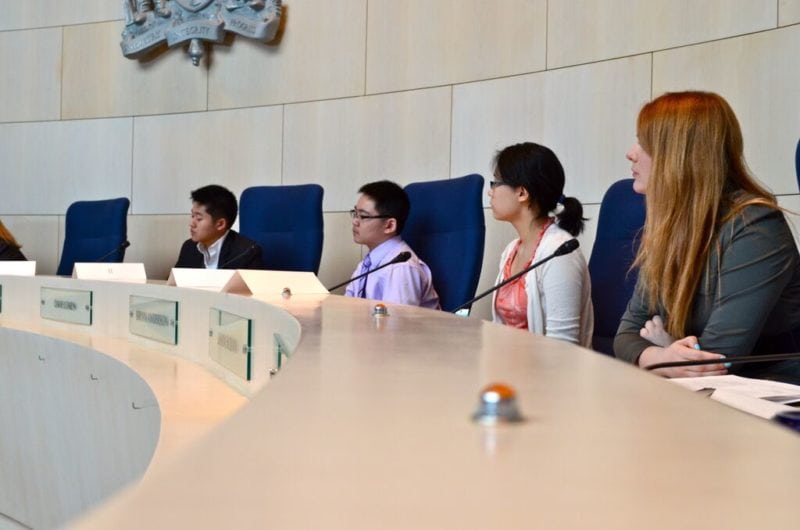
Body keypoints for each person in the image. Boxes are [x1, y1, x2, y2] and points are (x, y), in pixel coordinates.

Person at [614, 91, 800, 382]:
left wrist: (667, 345)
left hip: (767, 397)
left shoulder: (756, 228)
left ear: (679, 154)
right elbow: (625, 335)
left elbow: (719, 359)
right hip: (702, 394)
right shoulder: (670, 228)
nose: (631, 152)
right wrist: (660, 356)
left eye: (643, 142)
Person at [488, 142, 593, 347]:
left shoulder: (560, 253)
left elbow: (563, 348)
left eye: (495, 183)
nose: (490, 192)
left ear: (522, 193)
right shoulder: (511, 251)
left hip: (549, 375)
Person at [344, 180, 440, 309]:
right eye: (355, 213)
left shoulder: (401, 268)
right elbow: (348, 306)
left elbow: (398, 325)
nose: (355, 221)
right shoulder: (367, 263)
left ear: (389, 225)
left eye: (363, 216)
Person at [174, 184, 264, 270]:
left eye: (198, 218)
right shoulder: (189, 247)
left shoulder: (246, 252)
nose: (191, 223)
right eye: (192, 216)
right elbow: (175, 282)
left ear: (220, 224)